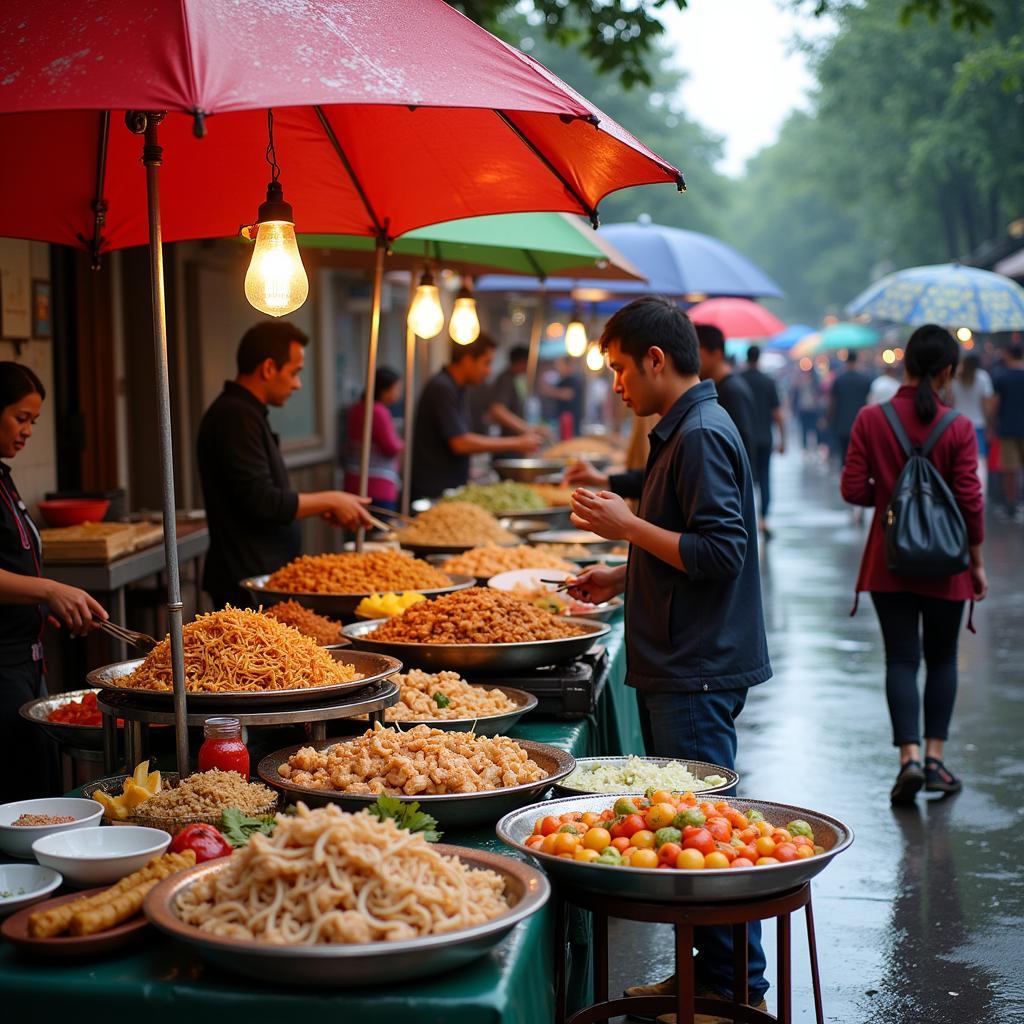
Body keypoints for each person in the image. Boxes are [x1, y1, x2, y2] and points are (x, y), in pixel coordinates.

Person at [565, 297, 771, 1021]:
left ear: (656, 360)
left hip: (696, 666)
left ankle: (732, 986)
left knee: (702, 834)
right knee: (687, 832)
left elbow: (721, 552)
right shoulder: (682, 430)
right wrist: (622, 572)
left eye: (621, 369)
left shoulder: (702, 433)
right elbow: (682, 540)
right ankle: (706, 977)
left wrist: (625, 526)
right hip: (683, 657)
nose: (616, 384)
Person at [841, 325, 986, 805]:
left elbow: (852, 490)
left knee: (901, 659)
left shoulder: (871, 418)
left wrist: (888, 494)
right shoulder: (959, 427)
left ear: (903, 363)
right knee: (942, 657)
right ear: (948, 372)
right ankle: (935, 758)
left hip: (890, 562)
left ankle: (907, 759)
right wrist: (978, 561)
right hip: (948, 563)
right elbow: (969, 499)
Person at [197, 322, 372, 609]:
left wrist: (323, 505)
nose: (297, 384)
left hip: (262, 578)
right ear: (268, 368)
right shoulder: (234, 417)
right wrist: (330, 498)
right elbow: (261, 500)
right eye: (294, 373)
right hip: (246, 586)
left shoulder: (246, 413)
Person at [0, 362, 108, 802]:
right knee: (16, 791)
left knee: (38, 782)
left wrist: (44, 606)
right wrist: (49, 591)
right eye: (20, 418)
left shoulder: (3, 476)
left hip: (28, 662)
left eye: (33, 422)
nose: (27, 431)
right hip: (3, 666)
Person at [410, 334, 541, 500]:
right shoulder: (442, 388)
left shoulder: (459, 389)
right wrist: (516, 442)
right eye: (486, 363)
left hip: (450, 488)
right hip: (433, 492)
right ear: (467, 360)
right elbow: (460, 442)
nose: (489, 371)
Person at [343, 366, 404, 511]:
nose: (398, 394)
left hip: (353, 480)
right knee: (379, 530)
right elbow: (391, 447)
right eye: (396, 389)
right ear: (384, 390)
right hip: (378, 483)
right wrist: (401, 444)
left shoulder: (355, 409)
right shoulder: (378, 411)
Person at [740, 345, 785, 536]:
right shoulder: (768, 382)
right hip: (765, 437)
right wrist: (783, 438)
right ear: (759, 358)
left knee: (743, 480)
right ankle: (764, 519)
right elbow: (777, 413)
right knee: (765, 478)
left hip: (743, 439)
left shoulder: (738, 381)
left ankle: (744, 519)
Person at [696, 324, 756, 462]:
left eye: (698, 354)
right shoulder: (724, 386)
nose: (693, 359)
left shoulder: (732, 390)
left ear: (716, 354)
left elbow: (743, 441)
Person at [990, 344, 1024, 520]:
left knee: (1009, 469)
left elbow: (995, 404)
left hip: (1008, 427)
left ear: (1008, 354)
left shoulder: (1002, 377)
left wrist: (991, 424)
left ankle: (1011, 505)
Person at [950, 354, 993, 475]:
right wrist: (990, 425)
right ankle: (979, 489)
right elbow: (986, 405)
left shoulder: (955, 378)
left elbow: (950, 403)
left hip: (957, 424)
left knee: (957, 458)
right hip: (978, 425)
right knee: (978, 460)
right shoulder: (983, 377)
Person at [829, 351, 873, 467]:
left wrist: (830, 420)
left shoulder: (838, 380)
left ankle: (844, 477)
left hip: (842, 423)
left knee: (844, 456)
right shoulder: (865, 380)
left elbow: (832, 403)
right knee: (859, 456)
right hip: (860, 423)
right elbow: (870, 402)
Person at [540, 355, 585, 435]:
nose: (558, 368)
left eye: (560, 365)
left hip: (572, 419)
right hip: (561, 418)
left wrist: (551, 391)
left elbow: (568, 394)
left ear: (567, 365)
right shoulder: (561, 380)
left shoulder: (574, 379)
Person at [791, 364, 825, 451]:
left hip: (813, 410)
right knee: (804, 430)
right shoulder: (799, 382)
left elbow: (820, 395)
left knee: (815, 430)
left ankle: (815, 449)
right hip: (803, 410)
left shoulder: (815, 382)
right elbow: (795, 397)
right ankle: (805, 449)